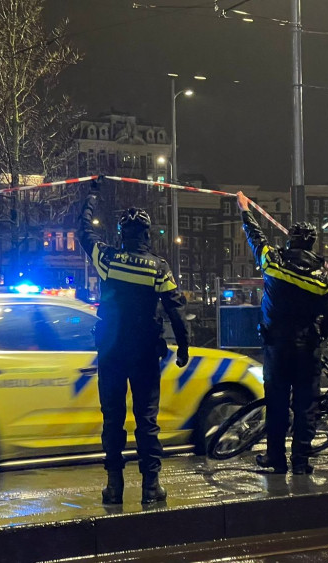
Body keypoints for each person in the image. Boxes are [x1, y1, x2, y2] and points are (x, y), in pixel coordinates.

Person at [78, 178, 189, 505]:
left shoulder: (109, 261)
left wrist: (92, 197)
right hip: (144, 356)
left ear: (122, 236)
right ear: (147, 235)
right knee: (147, 420)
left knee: (112, 419)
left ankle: (114, 487)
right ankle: (150, 486)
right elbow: (176, 309)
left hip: (111, 354)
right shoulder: (159, 268)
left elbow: (85, 233)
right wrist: (182, 346)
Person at [236, 191, 328, 475]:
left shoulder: (273, 262)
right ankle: (302, 461)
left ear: (290, 240)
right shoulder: (322, 278)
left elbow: (256, 238)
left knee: (278, 404)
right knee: (306, 406)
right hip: (307, 347)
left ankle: (276, 459)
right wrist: (321, 335)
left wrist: (245, 210)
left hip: (276, 346)